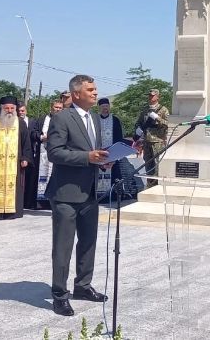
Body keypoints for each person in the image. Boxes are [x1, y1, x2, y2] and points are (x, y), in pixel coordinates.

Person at [46, 75, 111, 316]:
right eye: (90, 89)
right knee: (63, 246)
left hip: (90, 192)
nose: (95, 93)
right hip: (66, 193)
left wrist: (103, 161)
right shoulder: (62, 117)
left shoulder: (94, 118)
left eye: (95, 89)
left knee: (88, 242)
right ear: (76, 94)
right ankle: (59, 295)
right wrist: (87, 157)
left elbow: (94, 152)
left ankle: (83, 286)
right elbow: (54, 152)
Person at [133, 89, 169, 188]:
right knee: (148, 163)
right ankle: (150, 184)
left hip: (158, 141)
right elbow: (138, 122)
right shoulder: (145, 110)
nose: (150, 97)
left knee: (157, 164)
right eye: (149, 95)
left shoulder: (163, 110)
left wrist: (157, 118)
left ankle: (156, 185)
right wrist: (138, 129)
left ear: (157, 97)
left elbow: (168, 124)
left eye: (152, 95)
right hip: (147, 141)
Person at [35, 100, 65, 206]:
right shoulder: (43, 119)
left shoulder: (65, 120)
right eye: (56, 107)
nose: (58, 109)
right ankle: (41, 202)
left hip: (58, 153)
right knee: (42, 175)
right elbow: (34, 133)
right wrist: (42, 137)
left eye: (60, 108)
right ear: (51, 108)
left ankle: (55, 201)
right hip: (43, 152)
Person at [95, 97, 125, 200]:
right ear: (99, 108)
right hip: (98, 153)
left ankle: (114, 196)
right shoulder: (95, 120)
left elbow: (119, 138)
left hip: (112, 154)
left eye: (107, 106)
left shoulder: (115, 120)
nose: (105, 108)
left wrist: (116, 155)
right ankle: (98, 197)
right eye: (103, 106)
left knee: (114, 174)